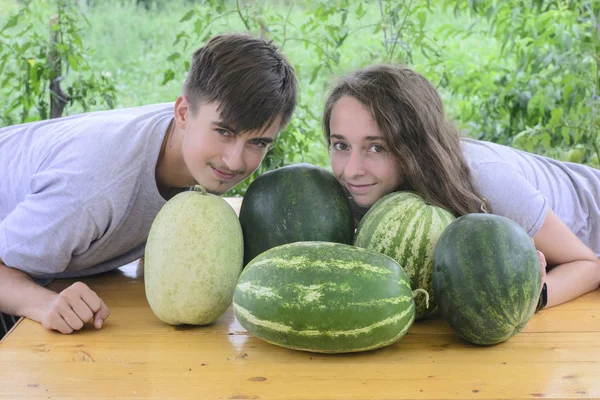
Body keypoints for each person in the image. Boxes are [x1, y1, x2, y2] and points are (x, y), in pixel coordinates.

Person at [0, 33, 298, 337]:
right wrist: (44, 304)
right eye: (224, 132)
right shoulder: (94, 189)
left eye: (257, 142)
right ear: (183, 112)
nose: (235, 161)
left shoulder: (194, 149)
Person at [322, 64, 600, 310]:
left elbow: (587, 266)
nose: (351, 170)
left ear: (416, 148)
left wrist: (529, 296)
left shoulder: (483, 180)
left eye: (376, 147)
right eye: (341, 145)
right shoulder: (359, 188)